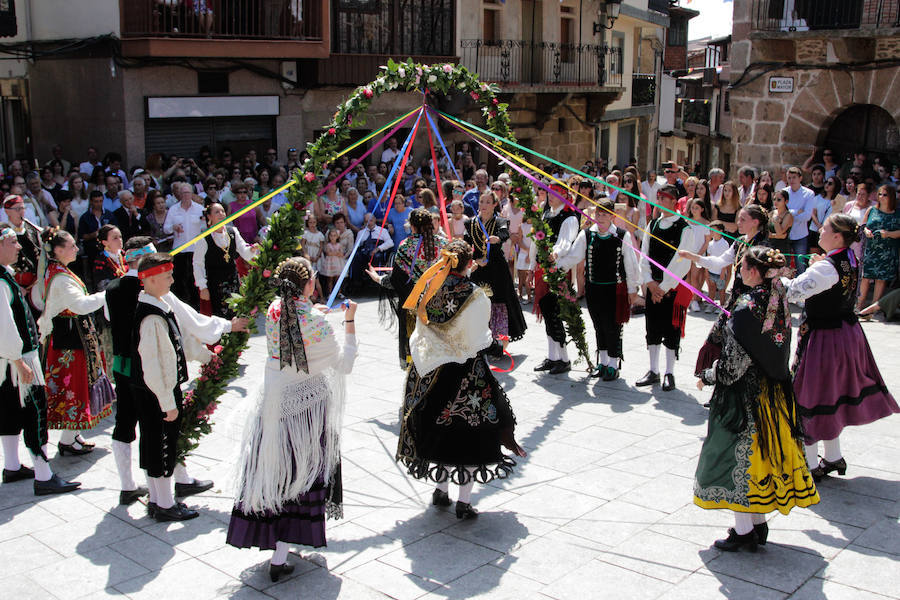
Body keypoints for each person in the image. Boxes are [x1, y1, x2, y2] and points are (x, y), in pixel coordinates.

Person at [227, 257, 358, 581]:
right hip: (306, 414)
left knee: (274, 473)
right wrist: (350, 322)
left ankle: (275, 546)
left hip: (272, 407)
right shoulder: (314, 322)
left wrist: (317, 316)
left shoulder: (275, 311)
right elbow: (344, 364)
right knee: (299, 478)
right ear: (309, 285)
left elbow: (298, 326)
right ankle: (280, 555)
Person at [694, 246, 819, 552]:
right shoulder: (776, 299)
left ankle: (743, 531)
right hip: (772, 394)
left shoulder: (747, 305)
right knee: (758, 461)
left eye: (742, 267)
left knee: (733, 460)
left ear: (750, 271)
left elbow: (733, 366)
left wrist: (707, 375)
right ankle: (757, 525)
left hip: (743, 397)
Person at [397, 240, 526, 520]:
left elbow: (421, 327)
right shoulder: (475, 294)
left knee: (438, 427)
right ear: (469, 264)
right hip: (466, 371)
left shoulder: (431, 287)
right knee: (470, 431)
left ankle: (441, 491)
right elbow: (479, 338)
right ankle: (464, 502)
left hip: (432, 369)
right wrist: (495, 345)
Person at [786, 213, 899, 481]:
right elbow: (828, 281)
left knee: (809, 396)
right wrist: (817, 265)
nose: (820, 232)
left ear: (837, 236)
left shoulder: (827, 266)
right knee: (830, 395)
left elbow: (793, 292)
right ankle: (833, 457)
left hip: (825, 338)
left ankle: (811, 465)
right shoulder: (848, 257)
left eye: (824, 229)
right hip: (846, 333)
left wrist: (776, 277)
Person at [0, 223, 80, 495]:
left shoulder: (4, 276)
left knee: (9, 412)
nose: (19, 246)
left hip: (12, 360)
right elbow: (4, 325)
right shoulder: (0, 281)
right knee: (34, 413)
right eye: (13, 242)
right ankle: (44, 475)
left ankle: (12, 465)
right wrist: (18, 361)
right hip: (18, 360)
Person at [37, 230, 115, 454]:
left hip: (74, 334)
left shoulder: (59, 271)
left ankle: (72, 436)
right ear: (59, 250)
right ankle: (68, 440)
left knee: (79, 384)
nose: (77, 249)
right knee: (75, 385)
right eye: (72, 246)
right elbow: (81, 305)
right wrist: (108, 293)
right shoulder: (60, 278)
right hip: (70, 340)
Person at [679, 205, 770, 374]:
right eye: (739, 218)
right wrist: (695, 257)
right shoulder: (739, 243)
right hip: (736, 300)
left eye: (743, 219)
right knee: (721, 338)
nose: (738, 222)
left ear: (755, 222)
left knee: (744, 348)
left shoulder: (764, 248)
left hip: (754, 305)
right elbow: (719, 262)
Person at [366, 207, 447, 367]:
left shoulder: (406, 246)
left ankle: (412, 366)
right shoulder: (443, 244)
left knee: (414, 339)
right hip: (438, 301)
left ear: (412, 226)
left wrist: (378, 279)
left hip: (413, 304)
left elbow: (396, 279)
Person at [572, 200, 640, 381]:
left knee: (613, 326)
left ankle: (613, 363)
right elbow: (574, 255)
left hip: (615, 289)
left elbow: (631, 264)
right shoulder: (587, 234)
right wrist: (556, 263)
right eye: (598, 214)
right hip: (593, 288)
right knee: (598, 325)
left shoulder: (621, 235)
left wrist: (632, 289)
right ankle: (601, 362)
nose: (600, 218)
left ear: (612, 216)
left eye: (604, 215)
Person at [637, 185, 694, 391]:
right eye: (658, 198)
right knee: (652, 328)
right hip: (654, 288)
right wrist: (650, 283)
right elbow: (644, 255)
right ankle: (653, 370)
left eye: (663, 198)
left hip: (672, 289)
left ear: (673, 202)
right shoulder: (652, 225)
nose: (659, 202)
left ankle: (669, 372)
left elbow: (682, 261)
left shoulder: (684, 228)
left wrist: (664, 286)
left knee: (671, 330)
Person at [467, 192, 527, 347]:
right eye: (482, 201)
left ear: (495, 204)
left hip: (496, 269)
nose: (484, 205)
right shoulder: (471, 223)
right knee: (477, 303)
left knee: (498, 302)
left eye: (488, 202)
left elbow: (504, 232)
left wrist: (498, 238)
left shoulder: (500, 221)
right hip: (478, 267)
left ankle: (499, 342)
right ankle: (479, 340)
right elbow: (467, 243)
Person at [533, 184, 581, 375]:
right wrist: (531, 267)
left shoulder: (568, 217)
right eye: (549, 193)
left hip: (557, 269)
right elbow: (537, 241)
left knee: (555, 312)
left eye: (555, 194)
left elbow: (565, 242)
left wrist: (555, 253)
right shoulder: (547, 215)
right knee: (546, 311)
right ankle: (552, 356)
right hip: (543, 268)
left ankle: (564, 358)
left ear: (564, 196)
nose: (550, 197)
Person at [192, 203, 258, 318]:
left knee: (236, 314)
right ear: (209, 216)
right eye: (217, 212)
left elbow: (244, 252)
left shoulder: (232, 232)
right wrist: (203, 287)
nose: (221, 214)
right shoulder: (203, 238)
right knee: (220, 316)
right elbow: (198, 264)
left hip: (233, 282)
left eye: (222, 211)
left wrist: (252, 249)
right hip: (215, 285)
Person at [163, 181, 205, 305]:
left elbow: (205, 228)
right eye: (183, 193)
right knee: (180, 279)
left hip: (195, 249)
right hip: (180, 249)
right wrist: (173, 227)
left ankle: (196, 305)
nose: (186, 195)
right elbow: (166, 228)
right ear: (179, 194)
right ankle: (180, 304)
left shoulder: (199, 209)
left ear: (192, 194)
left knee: (194, 278)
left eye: (188, 193)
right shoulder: (173, 209)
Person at [859, 185, 900, 311]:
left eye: (885, 195)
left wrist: (888, 234)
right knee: (866, 277)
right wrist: (866, 232)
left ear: (891, 197)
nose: (881, 197)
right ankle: (859, 305)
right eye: (880, 194)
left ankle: (873, 308)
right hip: (871, 249)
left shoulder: (897, 214)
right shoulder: (872, 210)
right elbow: (863, 225)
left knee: (881, 279)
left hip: (887, 250)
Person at [3, 195, 42, 315]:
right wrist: (16, 286)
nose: (21, 212)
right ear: (7, 212)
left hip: (37, 284)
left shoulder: (32, 229)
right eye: (17, 209)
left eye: (23, 208)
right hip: (18, 286)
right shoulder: (4, 234)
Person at [785, 167, 815, 274]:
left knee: (801, 265)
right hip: (785, 233)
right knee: (784, 264)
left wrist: (789, 215)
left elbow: (807, 216)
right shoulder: (784, 192)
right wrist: (797, 212)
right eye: (789, 178)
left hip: (800, 235)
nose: (791, 180)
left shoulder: (809, 193)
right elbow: (780, 213)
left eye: (794, 177)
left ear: (800, 178)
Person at [92, 224, 127, 292]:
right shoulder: (100, 261)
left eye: (120, 237)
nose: (120, 240)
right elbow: (102, 286)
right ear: (105, 242)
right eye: (115, 238)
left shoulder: (125, 254)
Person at [319, 228, 345, 300]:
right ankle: (330, 293)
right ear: (329, 236)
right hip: (330, 264)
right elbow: (328, 253)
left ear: (337, 237)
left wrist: (335, 253)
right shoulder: (328, 245)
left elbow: (341, 253)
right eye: (331, 236)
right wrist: (336, 253)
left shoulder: (339, 245)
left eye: (334, 236)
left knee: (338, 279)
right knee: (330, 279)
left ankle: (339, 292)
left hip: (338, 263)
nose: (333, 237)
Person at [768, 190, 794, 257]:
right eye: (774, 199)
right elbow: (767, 231)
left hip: (782, 248)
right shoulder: (772, 213)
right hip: (770, 246)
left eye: (779, 200)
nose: (775, 202)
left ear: (786, 201)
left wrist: (776, 221)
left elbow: (780, 233)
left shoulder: (788, 215)